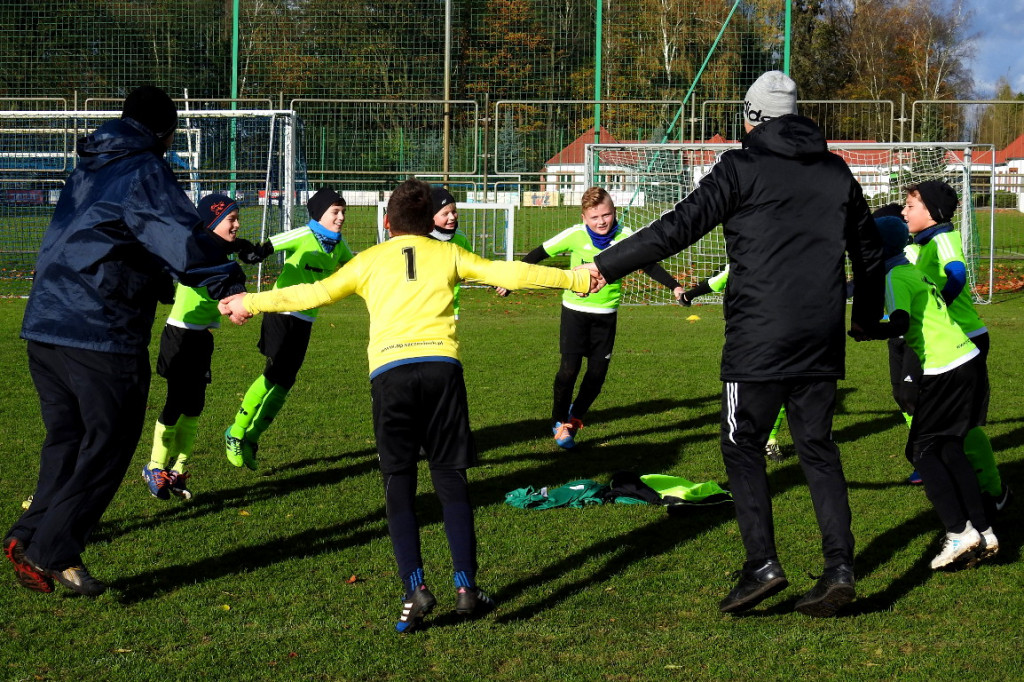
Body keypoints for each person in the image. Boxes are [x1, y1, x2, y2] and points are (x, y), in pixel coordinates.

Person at [220, 178, 596, 633]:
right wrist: (575, 277)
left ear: (386, 223)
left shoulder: (368, 260)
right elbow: (511, 273)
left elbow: (311, 293)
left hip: (391, 374)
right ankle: (465, 587)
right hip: (441, 368)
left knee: (398, 482)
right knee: (450, 478)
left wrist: (250, 301)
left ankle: (415, 589)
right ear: (427, 223)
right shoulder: (450, 253)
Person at [584, 71, 886, 617]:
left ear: (753, 119)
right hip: (819, 335)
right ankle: (840, 568)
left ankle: (762, 564)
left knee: (742, 445)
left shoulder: (740, 166)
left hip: (759, 337)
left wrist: (605, 265)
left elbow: (677, 228)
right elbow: (868, 255)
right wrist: (863, 318)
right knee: (818, 450)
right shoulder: (836, 171)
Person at [4, 86, 247, 597]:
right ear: (166, 131)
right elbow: (179, 236)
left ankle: (29, 535)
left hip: (47, 323)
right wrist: (228, 281)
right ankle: (52, 548)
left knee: (68, 439)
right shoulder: (144, 169)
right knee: (110, 441)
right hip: (100, 328)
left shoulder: (90, 166)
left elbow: (114, 238)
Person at [498, 187, 684, 448]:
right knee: (568, 371)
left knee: (596, 375)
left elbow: (649, 264)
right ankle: (559, 421)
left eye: (606, 215)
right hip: (575, 313)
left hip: (606, 317)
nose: (601, 222)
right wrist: (509, 280)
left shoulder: (626, 237)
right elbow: (538, 254)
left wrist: (674, 286)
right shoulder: (574, 235)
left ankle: (575, 418)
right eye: (594, 217)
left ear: (614, 212)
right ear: (584, 217)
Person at [861, 216, 998, 569]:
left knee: (922, 451)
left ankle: (958, 532)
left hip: (945, 368)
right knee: (950, 447)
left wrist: (868, 331)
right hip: (965, 358)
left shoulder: (894, 276)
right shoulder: (911, 270)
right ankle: (984, 530)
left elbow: (902, 323)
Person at [143, 194, 270, 501]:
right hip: (179, 336)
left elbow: (232, 249)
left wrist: (251, 250)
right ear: (213, 223)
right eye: (231, 219)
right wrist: (238, 299)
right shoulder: (198, 253)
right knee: (175, 402)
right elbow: (218, 277)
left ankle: (178, 470)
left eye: (237, 218)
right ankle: (155, 466)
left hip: (201, 339)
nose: (237, 224)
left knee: (195, 406)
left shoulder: (219, 250)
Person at [224, 188, 353, 470]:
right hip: (280, 310)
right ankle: (235, 431)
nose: (341, 217)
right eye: (335, 212)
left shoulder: (339, 246)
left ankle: (252, 437)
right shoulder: (303, 234)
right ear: (320, 214)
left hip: (306, 319)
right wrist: (241, 252)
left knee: (285, 382)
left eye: (343, 212)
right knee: (274, 373)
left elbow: (358, 271)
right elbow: (262, 250)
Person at [902, 181, 1011, 514]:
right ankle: (930, 458)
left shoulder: (943, 237)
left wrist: (940, 306)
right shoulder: (919, 244)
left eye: (910, 205)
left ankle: (993, 488)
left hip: (963, 338)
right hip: (936, 340)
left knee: (962, 421)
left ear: (932, 211)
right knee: (911, 400)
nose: (904, 211)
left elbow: (958, 273)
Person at [680, 264, 788, 462]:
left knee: (775, 386)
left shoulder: (786, 261)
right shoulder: (747, 256)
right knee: (754, 387)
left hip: (775, 333)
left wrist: (688, 296)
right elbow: (718, 281)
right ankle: (750, 437)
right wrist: (690, 295)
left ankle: (769, 439)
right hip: (745, 335)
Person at [428, 185, 472, 319]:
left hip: (450, 308)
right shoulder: (419, 239)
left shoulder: (460, 238)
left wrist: (496, 282)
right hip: (420, 309)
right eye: (445, 214)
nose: (452, 217)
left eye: (454, 212)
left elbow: (473, 266)